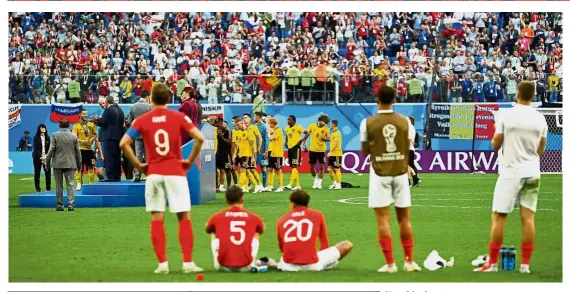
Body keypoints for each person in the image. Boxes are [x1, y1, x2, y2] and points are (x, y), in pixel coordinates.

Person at [120, 83, 205, 274]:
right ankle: (188, 263)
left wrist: (139, 165)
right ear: (169, 99)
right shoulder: (178, 117)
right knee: (183, 217)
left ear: (151, 99)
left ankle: (162, 265)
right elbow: (199, 137)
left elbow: (124, 143)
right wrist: (189, 160)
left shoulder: (143, 120)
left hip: (154, 172)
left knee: (157, 217)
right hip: (175, 171)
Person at [475, 81, 548, 274]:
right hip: (532, 171)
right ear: (533, 96)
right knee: (528, 218)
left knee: (499, 216)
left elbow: (495, 145)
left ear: (517, 94)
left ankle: (492, 263)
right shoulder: (540, 119)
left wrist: (497, 134)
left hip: (511, 171)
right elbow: (541, 149)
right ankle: (525, 265)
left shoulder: (507, 116)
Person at [360, 86, 421, 273]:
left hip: (379, 174)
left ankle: (390, 264)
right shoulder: (405, 122)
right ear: (394, 100)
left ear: (377, 99)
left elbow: (364, 152)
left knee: (383, 220)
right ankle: (409, 262)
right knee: (404, 219)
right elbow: (409, 145)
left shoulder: (367, 123)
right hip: (401, 172)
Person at [276, 190, 353, 272]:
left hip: (288, 266)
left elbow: (282, 247)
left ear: (292, 203)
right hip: (312, 265)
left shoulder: (282, 219)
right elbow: (324, 241)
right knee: (346, 245)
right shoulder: (317, 214)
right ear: (307, 203)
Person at [205, 185, 265, 272]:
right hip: (246, 265)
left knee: (213, 230)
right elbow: (262, 229)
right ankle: (252, 260)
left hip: (222, 266)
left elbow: (208, 229)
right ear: (242, 200)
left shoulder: (217, 216)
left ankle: (219, 258)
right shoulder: (253, 217)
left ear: (226, 201)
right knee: (256, 231)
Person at [43, 119, 82, 212]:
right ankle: (71, 205)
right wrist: (79, 164)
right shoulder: (74, 136)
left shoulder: (54, 135)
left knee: (58, 185)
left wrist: (46, 161)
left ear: (59, 125)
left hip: (58, 163)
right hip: (71, 163)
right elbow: (78, 152)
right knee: (71, 185)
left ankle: (59, 205)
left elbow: (51, 149)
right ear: (69, 125)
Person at [92, 96, 125, 182]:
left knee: (110, 157)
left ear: (106, 102)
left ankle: (110, 176)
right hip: (118, 137)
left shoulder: (108, 110)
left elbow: (104, 123)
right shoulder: (120, 110)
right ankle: (117, 176)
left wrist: (95, 121)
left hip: (110, 137)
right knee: (116, 157)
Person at [128, 89, 153, 182]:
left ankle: (137, 176)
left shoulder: (133, 107)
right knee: (147, 157)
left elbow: (130, 121)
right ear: (147, 96)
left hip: (137, 135)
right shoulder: (150, 107)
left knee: (138, 156)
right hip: (147, 135)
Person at [300, 114, 331, 189]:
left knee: (321, 167)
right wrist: (304, 144)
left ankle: (319, 182)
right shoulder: (312, 126)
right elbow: (307, 135)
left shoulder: (326, 128)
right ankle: (315, 179)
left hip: (321, 150)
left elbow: (329, 138)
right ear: (320, 120)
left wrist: (324, 139)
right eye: (323, 121)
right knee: (311, 166)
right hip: (312, 149)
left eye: (325, 122)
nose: (324, 123)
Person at [72, 109, 98, 191]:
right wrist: (83, 141)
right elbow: (74, 137)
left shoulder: (91, 124)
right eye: (84, 114)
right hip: (80, 149)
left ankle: (91, 183)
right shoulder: (75, 126)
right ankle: (79, 184)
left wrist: (92, 139)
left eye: (86, 114)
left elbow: (95, 134)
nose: (86, 115)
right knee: (79, 168)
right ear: (80, 115)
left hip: (89, 150)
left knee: (91, 167)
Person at [233, 117, 259, 194]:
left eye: (238, 125)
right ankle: (257, 186)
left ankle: (240, 187)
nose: (237, 127)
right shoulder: (240, 132)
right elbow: (238, 145)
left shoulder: (249, 132)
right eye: (236, 125)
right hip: (241, 154)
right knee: (247, 171)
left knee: (243, 169)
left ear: (242, 123)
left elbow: (253, 145)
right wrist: (235, 154)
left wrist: (253, 157)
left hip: (247, 154)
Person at [284, 115, 307, 190]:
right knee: (293, 167)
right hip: (290, 149)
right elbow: (287, 136)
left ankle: (290, 184)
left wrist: (301, 140)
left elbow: (307, 133)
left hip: (296, 148)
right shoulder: (287, 128)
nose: (288, 121)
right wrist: (286, 142)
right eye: (287, 120)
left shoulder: (298, 127)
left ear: (293, 120)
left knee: (294, 166)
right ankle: (298, 185)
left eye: (289, 120)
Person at [242, 113, 263, 193]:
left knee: (252, 169)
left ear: (250, 119)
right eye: (243, 118)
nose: (244, 119)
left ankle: (259, 185)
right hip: (245, 152)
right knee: (247, 169)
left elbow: (260, 138)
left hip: (252, 152)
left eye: (246, 117)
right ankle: (246, 186)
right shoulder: (243, 128)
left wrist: (258, 149)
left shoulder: (253, 127)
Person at [266, 117, 285, 192]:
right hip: (272, 153)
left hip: (277, 153)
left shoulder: (278, 130)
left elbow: (271, 138)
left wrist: (267, 133)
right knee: (270, 169)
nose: (269, 124)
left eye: (269, 123)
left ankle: (280, 186)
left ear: (273, 124)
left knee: (278, 169)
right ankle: (270, 185)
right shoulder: (273, 130)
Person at [214, 118, 232, 192]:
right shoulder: (214, 130)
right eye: (216, 123)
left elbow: (229, 142)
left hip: (226, 154)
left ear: (221, 123)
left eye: (218, 123)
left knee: (227, 170)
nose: (217, 125)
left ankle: (228, 186)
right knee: (216, 169)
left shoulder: (228, 131)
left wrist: (221, 136)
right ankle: (217, 186)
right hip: (217, 153)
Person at [32, 124, 51, 192]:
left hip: (46, 158)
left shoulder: (48, 138)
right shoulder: (36, 137)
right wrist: (42, 157)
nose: (43, 129)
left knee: (48, 173)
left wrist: (46, 156)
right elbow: (36, 149)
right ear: (39, 129)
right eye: (42, 128)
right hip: (37, 158)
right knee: (37, 173)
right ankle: (38, 189)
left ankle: (48, 188)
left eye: (44, 128)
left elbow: (49, 149)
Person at [253, 112, 269, 188]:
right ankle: (252, 184)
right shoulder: (254, 126)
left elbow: (267, 139)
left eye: (254, 116)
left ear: (258, 117)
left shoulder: (265, 127)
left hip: (262, 151)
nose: (253, 117)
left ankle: (264, 185)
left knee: (263, 167)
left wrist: (266, 151)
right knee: (252, 167)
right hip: (255, 151)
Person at [327, 120, 343, 190]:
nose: (330, 126)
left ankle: (339, 184)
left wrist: (330, 152)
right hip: (332, 154)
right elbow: (330, 140)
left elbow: (336, 144)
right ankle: (334, 183)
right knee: (329, 169)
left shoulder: (338, 133)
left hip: (337, 153)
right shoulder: (333, 133)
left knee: (337, 169)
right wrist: (323, 138)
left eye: (330, 124)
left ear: (333, 125)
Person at [407, 116, 421, 187]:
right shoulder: (413, 129)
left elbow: (408, 138)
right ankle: (415, 180)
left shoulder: (409, 128)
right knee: (410, 165)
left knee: (406, 166)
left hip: (407, 148)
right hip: (411, 149)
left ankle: (408, 182)